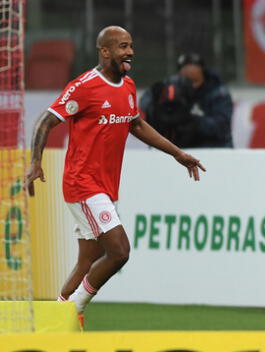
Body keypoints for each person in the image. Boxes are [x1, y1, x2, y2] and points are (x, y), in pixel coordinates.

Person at [25, 26, 206, 327]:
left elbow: (137, 125)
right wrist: (35, 162)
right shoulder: (84, 86)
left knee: (88, 260)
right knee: (120, 251)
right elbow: (46, 120)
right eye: (123, 46)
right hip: (83, 185)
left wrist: (177, 153)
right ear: (105, 51)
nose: (130, 52)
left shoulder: (128, 86)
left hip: (105, 187)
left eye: (131, 46)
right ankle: (74, 309)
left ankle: (55, 320)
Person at [140, 52, 233, 148]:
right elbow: (145, 101)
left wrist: (191, 120)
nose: (189, 71)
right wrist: (162, 112)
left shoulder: (217, 92)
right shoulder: (171, 85)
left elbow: (221, 127)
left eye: (194, 66)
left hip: (214, 149)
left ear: (202, 70)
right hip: (180, 149)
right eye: (185, 67)